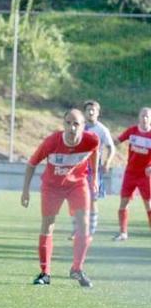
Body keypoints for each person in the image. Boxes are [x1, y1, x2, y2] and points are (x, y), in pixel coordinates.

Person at [20, 109, 99, 288]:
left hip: (77, 184)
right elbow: (32, 164)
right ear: (63, 125)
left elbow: (95, 151)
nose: (72, 128)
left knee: (84, 225)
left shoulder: (92, 140)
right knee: (48, 225)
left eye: (76, 124)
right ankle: (45, 273)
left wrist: (94, 178)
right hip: (52, 187)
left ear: (83, 126)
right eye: (68, 123)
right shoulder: (51, 142)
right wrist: (25, 191)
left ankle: (77, 269)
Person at [69, 100, 115, 240]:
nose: (90, 112)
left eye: (93, 110)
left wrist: (107, 161)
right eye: (88, 109)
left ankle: (90, 231)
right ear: (84, 112)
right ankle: (76, 230)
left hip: (94, 169)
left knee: (93, 200)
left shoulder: (102, 130)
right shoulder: (79, 127)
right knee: (77, 199)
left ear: (98, 112)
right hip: (78, 169)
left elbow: (111, 147)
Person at [112, 107, 151, 241]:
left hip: (145, 175)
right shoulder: (132, 131)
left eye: (147, 116)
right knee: (124, 202)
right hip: (130, 173)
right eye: (142, 116)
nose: (145, 118)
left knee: (149, 204)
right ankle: (123, 233)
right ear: (139, 117)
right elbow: (116, 141)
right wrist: (107, 144)